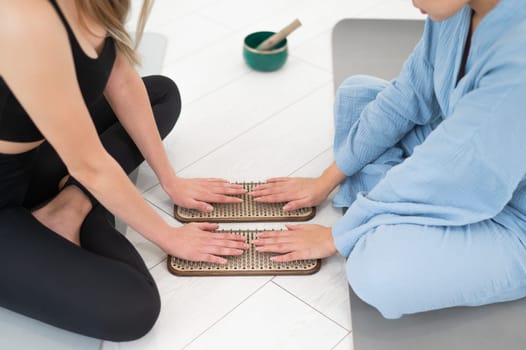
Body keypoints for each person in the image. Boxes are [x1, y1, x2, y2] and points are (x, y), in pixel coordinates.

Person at [251, 0, 526, 319]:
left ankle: (387, 212)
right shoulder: (459, 9)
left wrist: (335, 236)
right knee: (356, 95)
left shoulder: (517, 58)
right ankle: (392, 209)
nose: (411, 2)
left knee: (376, 269)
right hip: (458, 156)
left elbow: (451, 171)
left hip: (510, 215)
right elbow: (409, 93)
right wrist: (325, 181)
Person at [0, 0, 250, 341]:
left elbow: (121, 81)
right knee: (134, 308)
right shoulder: (22, 14)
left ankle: (68, 205)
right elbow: (89, 164)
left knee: (161, 94)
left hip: (29, 161)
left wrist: (171, 182)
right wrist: (170, 237)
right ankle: (72, 203)